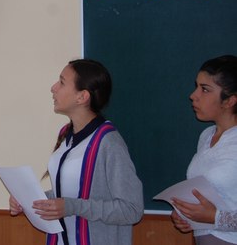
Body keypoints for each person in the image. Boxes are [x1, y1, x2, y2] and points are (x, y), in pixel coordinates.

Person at [9, 59, 143, 245]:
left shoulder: (109, 143)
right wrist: (29, 200)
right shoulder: (66, 134)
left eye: (62, 82)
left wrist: (72, 207)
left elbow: (131, 210)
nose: (53, 88)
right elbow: (67, 192)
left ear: (82, 97)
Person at [170, 55, 237, 244]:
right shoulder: (206, 136)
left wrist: (215, 218)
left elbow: (214, 215)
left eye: (205, 89)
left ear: (230, 101)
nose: (194, 95)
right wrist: (186, 214)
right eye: (197, 87)